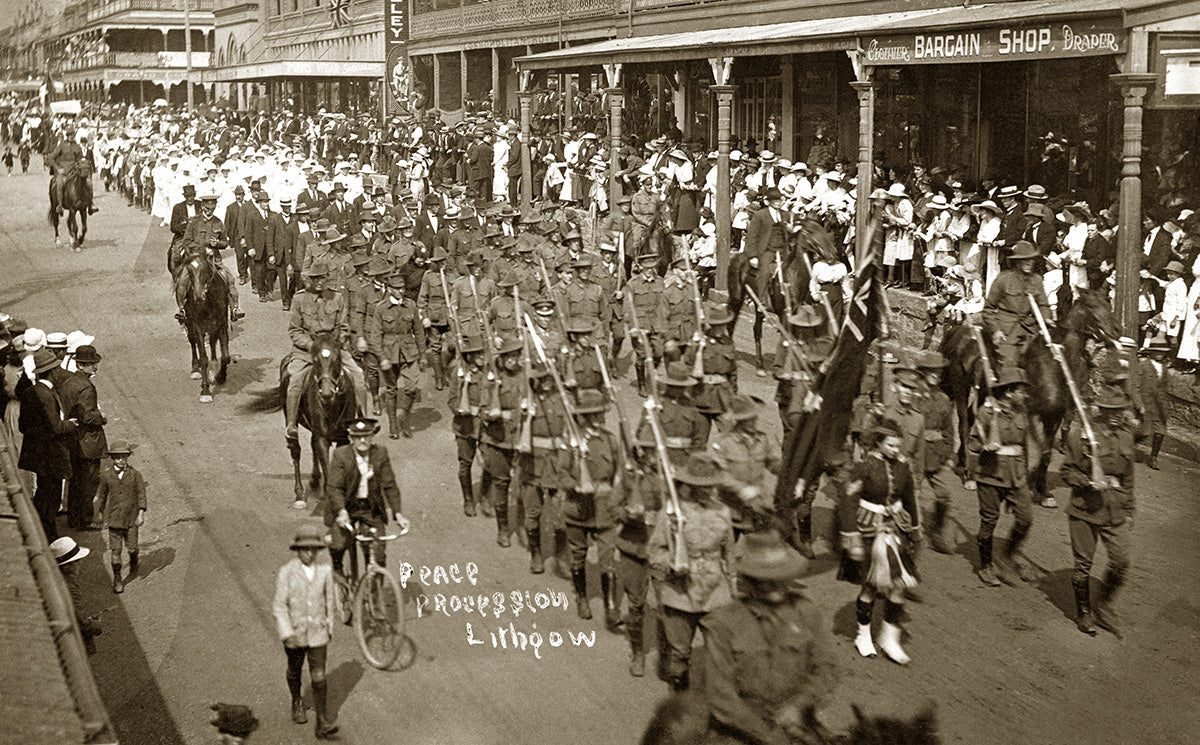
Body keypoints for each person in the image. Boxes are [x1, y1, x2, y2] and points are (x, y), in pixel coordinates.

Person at [696, 529, 839, 745]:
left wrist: (799, 704)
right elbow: (719, 695)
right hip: (741, 728)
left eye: (781, 576)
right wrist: (768, 736)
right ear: (750, 580)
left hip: (797, 719)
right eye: (767, 578)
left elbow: (827, 666)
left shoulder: (805, 612)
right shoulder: (723, 624)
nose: (776, 584)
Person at [647, 451, 735, 692]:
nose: (708, 490)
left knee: (720, 654)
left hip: (716, 591)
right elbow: (655, 551)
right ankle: (681, 705)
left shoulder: (723, 512)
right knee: (680, 654)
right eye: (702, 486)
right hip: (680, 594)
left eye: (711, 485)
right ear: (690, 486)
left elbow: (729, 554)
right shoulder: (672, 514)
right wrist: (672, 564)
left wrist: (734, 592)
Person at [839, 418, 920, 665]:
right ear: (879, 443)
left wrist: (915, 529)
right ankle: (863, 635)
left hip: (894, 531)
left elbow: (910, 498)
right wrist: (851, 538)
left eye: (899, 445)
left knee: (898, 586)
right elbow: (848, 501)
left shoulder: (904, 466)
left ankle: (889, 637)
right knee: (870, 586)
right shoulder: (864, 466)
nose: (897, 450)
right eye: (892, 445)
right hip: (867, 532)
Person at [1060, 392, 1135, 637]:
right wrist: (1087, 480)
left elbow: (1128, 478)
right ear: (1101, 411)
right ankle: (1084, 612)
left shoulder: (1126, 437)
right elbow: (1067, 471)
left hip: (1114, 509)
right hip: (1085, 508)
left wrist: (1130, 508)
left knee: (1121, 560)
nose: (1116, 416)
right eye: (1110, 411)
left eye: (1120, 411)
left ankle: (1104, 604)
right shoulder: (1081, 436)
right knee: (1083, 565)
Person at [283, 261, 368, 440]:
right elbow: (295, 330)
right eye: (315, 279)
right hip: (306, 351)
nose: (319, 282)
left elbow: (343, 327)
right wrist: (312, 346)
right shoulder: (299, 299)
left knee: (358, 375)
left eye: (322, 278)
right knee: (295, 381)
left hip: (333, 349)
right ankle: (291, 425)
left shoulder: (337, 298)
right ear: (310, 280)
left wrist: (337, 343)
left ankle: (361, 419)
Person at [968, 367, 1035, 587]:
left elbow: (1023, 445)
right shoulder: (986, 413)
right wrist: (986, 445)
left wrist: (1025, 472)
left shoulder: (1022, 412)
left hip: (1016, 475)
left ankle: (1006, 556)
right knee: (989, 521)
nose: (1024, 395)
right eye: (1021, 391)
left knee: (1026, 518)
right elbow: (973, 445)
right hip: (990, 475)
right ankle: (986, 566)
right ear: (1008, 391)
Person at [563, 388, 623, 627]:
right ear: (586, 417)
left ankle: (610, 607)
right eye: (596, 415)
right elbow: (562, 474)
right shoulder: (572, 442)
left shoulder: (610, 440)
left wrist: (617, 499)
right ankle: (582, 598)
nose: (601, 418)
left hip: (605, 510)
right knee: (578, 557)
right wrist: (576, 487)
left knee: (607, 558)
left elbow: (619, 473)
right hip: (577, 509)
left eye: (601, 414)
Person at [274, 525, 340, 738]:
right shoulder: (287, 572)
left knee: (319, 676)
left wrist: (329, 626)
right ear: (297, 550)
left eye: (313, 549)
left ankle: (322, 721)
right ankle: (296, 700)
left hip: (318, 633)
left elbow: (330, 600)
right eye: (305, 549)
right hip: (295, 634)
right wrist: (287, 633)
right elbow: (279, 605)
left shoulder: (325, 572)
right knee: (295, 669)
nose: (309, 554)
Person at [325, 417, 410, 576]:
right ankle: (338, 570)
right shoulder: (340, 455)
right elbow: (334, 488)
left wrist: (398, 514)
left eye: (367, 436)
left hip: (370, 509)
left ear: (372, 437)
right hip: (346, 507)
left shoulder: (380, 453)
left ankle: (374, 594)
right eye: (357, 437)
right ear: (350, 438)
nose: (362, 440)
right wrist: (341, 512)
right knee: (338, 544)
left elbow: (390, 484)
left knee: (377, 552)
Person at [18, 348, 78, 540]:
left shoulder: (30, 392)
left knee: (43, 493)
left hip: (36, 454)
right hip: (51, 455)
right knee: (51, 497)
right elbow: (56, 427)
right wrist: (70, 424)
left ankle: (41, 528)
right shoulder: (46, 394)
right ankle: (48, 535)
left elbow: (22, 426)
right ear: (52, 372)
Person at [366, 274, 426, 439]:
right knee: (391, 390)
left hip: (409, 352)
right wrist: (382, 358)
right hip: (389, 354)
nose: (401, 291)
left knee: (412, 386)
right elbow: (375, 337)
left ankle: (404, 417)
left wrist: (423, 354)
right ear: (390, 290)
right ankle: (393, 424)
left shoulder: (411, 305)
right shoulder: (381, 308)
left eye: (403, 288)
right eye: (397, 289)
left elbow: (419, 331)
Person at [58, 343, 107, 530]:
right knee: (88, 481)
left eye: (94, 362)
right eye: (90, 364)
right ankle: (85, 519)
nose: (95, 367)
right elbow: (86, 416)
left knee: (76, 480)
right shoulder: (86, 387)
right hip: (88, 440)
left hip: (74, 438)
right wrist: (101, 418)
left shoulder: (69, 382)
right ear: (80, 365)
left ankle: (74, 517)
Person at [983, 240, 1050, 373]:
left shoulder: (1036, 280)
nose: (1029, 262)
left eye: (1031, 259)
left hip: (1029, 330)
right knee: (1008, 366)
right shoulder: (1003, 279)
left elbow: (1043, 305)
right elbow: (988, 309)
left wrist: (1046, 319)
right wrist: (996, 330)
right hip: (1006, 331)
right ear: (1017, 261)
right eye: (1025, 259)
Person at [95, 440, 146, 594]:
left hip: (131, 518)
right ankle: (117, 579)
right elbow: (102, 495)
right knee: (115, 551)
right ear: (113, 458)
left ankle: (134, 559)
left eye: (124, 457)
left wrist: (141, 513)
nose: (121, 460)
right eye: (118, 457)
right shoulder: (106, 475)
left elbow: (141, 495)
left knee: (132, 548)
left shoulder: (135, 475)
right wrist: (99, 513)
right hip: (114, 519)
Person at [51, 535, 102, 654]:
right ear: (66, 566)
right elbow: (81, 622)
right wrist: (96, 625)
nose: (81, 563)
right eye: (77, 561)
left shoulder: (58, 579)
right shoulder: (69, 587)